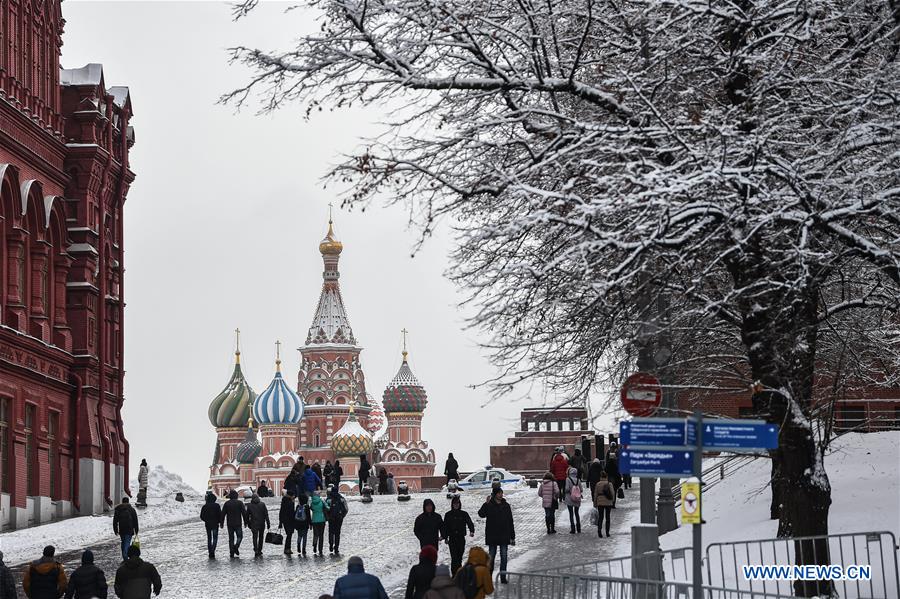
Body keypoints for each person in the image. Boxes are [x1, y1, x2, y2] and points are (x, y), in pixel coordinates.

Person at [477, 488, 515, 584]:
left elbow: (510, 521)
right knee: (491, 557)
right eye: (499, 493)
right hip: (492, 535)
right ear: (494, 495)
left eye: (501, 493)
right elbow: (481, 514)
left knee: (504, 557)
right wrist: (486, 504)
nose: (501, 495)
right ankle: (488, 576)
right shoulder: (489, 505)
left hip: (504, 535)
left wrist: (512, 536)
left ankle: (503, 577)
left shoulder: (506, 506)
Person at [441, 495, 475, 575]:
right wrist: (445, 537)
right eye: (454, 503)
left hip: (461, 538)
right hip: (452, 539)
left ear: (460, 504)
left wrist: (472, 531)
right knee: (454, 558)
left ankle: (459, 575)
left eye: (457, 503)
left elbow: (469, 522)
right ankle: (454, 575)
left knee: (459, 558)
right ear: (452, 504)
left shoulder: (464, 514)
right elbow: (445, 527)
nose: (456, 505)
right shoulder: (448, 515)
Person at [220, 489, 249, 558]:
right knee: (240, 537)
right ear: (236, 496)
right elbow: (244, 513)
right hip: (238, 523)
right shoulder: (240, 503)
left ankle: (231, 552)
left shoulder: (227, 503)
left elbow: (223, 514)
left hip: (229, 523)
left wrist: (221, 523)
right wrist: (246, 522)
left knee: (231, 538)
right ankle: (236, 546)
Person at [113, 496, 139, 561]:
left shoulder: (118, 509)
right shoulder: (131, 509)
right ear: (128, 502)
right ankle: (125, 556)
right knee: (127, 542)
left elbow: (115, 521)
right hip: (129, 529)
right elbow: (135, 520)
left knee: (123, 541)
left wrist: (115, 530)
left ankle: (124, 555)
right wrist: (136, 530)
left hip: (122, 529)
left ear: (122, 502)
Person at [200, 491, 223, 558]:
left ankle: (210, 551)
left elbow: (201, 516)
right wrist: (219, 521)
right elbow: (220, 515)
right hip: (215, 524)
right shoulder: (217, 506)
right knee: (215, 538)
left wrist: (206, 520)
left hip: (208, 524)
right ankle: (213, 550)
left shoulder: (205, 506)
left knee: (209, 538)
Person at [326, 486, 348, 555]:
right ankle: (336, 548)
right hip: (339, 518)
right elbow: (346, 509)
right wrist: (342, 516)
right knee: (337, 533)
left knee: (331, 532)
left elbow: (325, 508)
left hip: (331, 518)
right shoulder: (341, 498)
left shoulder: (329, 499)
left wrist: (328, 516)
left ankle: (331, 545)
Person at [593, 471, 615, 538]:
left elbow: (595, 494)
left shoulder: (598, 484)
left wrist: (595, 502)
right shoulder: (609, 484)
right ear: (606, 477)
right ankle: (607, 532)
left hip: (600, 502)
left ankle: (599, 531)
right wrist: (612, 500)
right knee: (607, 517)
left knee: (601, 517)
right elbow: (612, 493)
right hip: (608, 502)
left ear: (600, 477)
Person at [564, 466, 583, 534]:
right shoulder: (578, 480)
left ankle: (573, 529)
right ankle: (579, 528)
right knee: (577, 513)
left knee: (571, 514)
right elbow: (581, 490)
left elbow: (566, 489)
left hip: (569, 498)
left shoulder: (568, 479)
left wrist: (570, 491)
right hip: (577, 499)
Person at [295, 491, 312, 556]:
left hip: (298, 524)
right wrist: (310, 524)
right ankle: (303, 549)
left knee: (299, 535)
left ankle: (298, 545)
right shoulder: (306, 507)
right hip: (305, 524)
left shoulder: (297, 506)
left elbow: (295, 515)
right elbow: (309, 516)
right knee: (305, 536)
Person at [310, 491, 327, 556]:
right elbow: (327, 507)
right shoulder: (322, 501)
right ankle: (320, 549)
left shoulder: (312, 502)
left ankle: (314, 546)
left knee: (315, 534)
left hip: (314, 520)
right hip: (322, 520)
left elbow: (311, 508)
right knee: (321, 535)